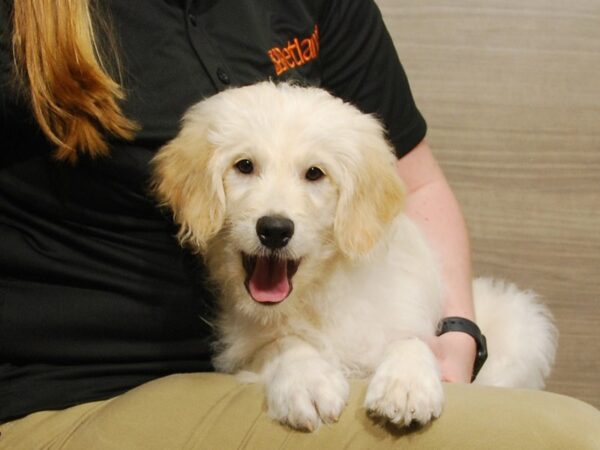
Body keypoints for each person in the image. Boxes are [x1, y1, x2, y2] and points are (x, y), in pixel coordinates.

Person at [0, 0, 477, 440]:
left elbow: (416, 185)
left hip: (243, 366)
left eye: (313, 174)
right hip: (73, 388)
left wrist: (455, 334)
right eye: (244, 168)